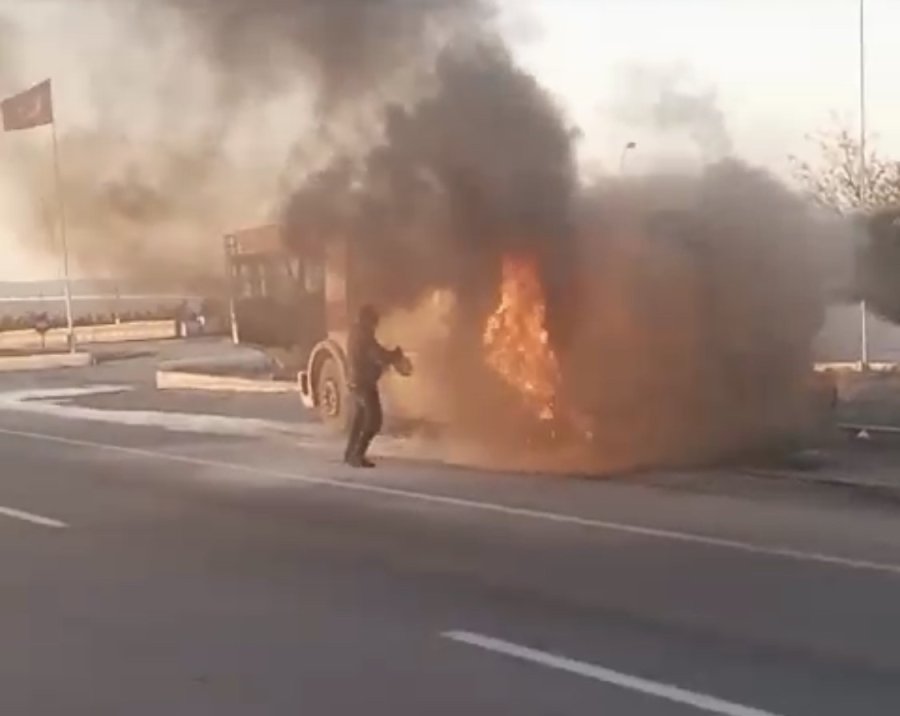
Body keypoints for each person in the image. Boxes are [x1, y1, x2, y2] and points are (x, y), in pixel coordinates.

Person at [343, 304, 406, 468]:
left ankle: (350, 453)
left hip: (356, 381)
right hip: (364, 383)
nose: (375, 324)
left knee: (360, 418)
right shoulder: (364, 335)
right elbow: (377, 354)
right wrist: (394, 355)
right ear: (367, 319)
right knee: (374, 421)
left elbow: (374, 352)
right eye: (374, 321)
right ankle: (357, 455)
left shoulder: (357, 332)